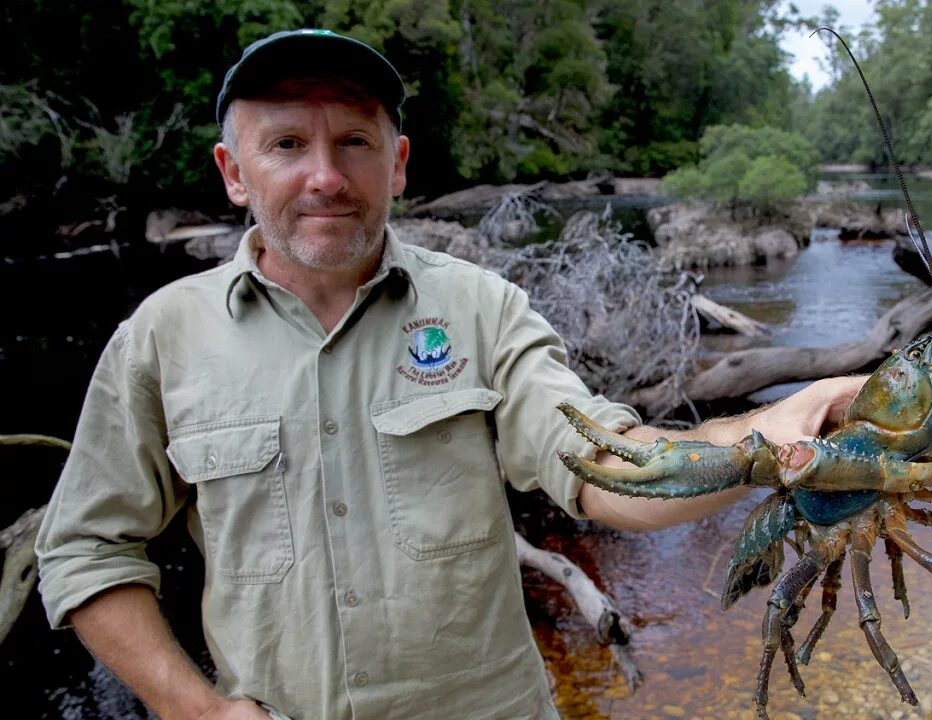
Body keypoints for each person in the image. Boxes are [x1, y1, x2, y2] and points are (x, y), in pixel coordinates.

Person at [35, 29, 867, 720]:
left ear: (396, 164)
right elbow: (86, 549)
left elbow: (609, 466)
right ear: (232, 172)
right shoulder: (161, 337)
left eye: (353, 142)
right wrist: (195, 708)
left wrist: (768, 436)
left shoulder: (483, 308)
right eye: (287, 143)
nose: (325, 175)